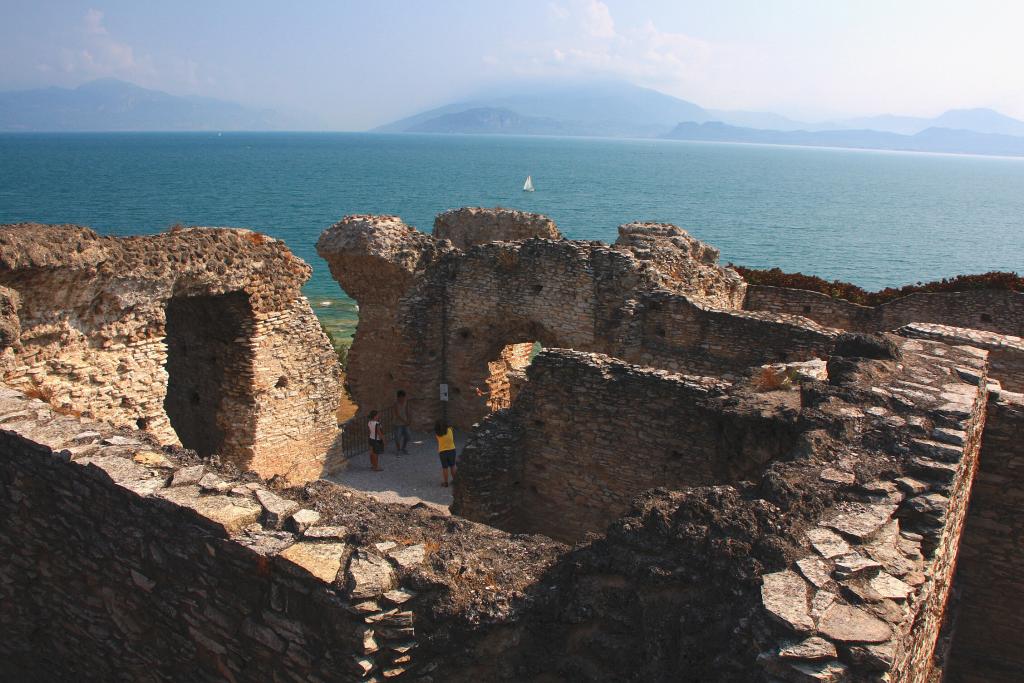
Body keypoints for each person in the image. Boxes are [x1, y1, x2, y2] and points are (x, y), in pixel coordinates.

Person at [434, 421, 457, 487]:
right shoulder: (450, 430)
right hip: (452, 450)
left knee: (445, 467)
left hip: (443, 451)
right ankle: (455, 481)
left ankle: (446, 482)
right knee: (453, 466)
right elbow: (450, 426)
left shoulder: (438, 434)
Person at [393, 390, 411, 455]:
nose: (403, 399)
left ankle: (403, 448)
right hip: (398, 424)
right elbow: (397, 414)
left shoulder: (406, 402)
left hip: (405, 423)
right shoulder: (395, 404)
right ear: (398, 397)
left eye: (404, 397)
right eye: (401, 397)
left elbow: (407, 411)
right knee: (397, 437)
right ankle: (398, 449)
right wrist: (405, 421)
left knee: (408, 436)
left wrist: (409, 419)